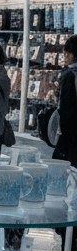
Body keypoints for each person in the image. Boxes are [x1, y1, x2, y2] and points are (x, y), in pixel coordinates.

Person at [53, 36, 77, 167]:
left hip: (72, 134)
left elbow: (66, 109)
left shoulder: (69, 75)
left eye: (68, 52)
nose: (65, 56)